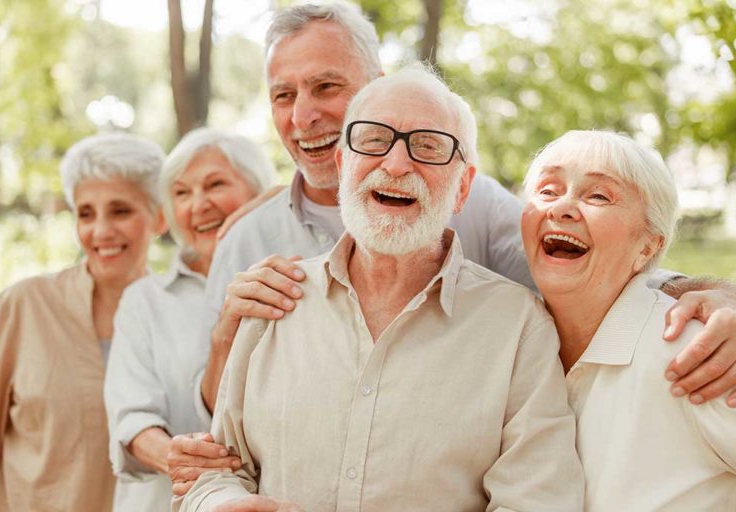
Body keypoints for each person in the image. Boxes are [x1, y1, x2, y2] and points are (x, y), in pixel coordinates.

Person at [168, 1, 736, 490]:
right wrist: (227, 346)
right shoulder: (247, 240)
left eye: (326, 86)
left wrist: (716, 295)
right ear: (346, 159)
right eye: (283, 95)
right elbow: (218, 442)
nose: (304, 114)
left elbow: (590, 263)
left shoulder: (489, 233)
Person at [177, 64, 584, 512]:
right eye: (373, 141)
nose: (396, 164)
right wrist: (221, 503)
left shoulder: (518, 327)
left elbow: (535, 500)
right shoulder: (273, 302)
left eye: (427, 146)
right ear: (342, 165)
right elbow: (215, 469)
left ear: (462, 188)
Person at [520, 130, 736, 510]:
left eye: (598, 196)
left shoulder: (695, 353)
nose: (561, 208)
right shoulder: (512, 344)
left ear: (648, 246)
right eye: (547, 190)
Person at [0, 133, 166, 511]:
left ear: (160, 218)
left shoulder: (178, 316)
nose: (100, 231)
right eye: (85, 214)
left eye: (120, 211)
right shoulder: (25, 305)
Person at [103, 128, 275, 511]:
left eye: (215, 185)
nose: (198, 205)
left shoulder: (291, 279)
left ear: (258, 192)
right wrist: (178, 457)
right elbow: (131, 418)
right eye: (181, 193)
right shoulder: (145, 301)